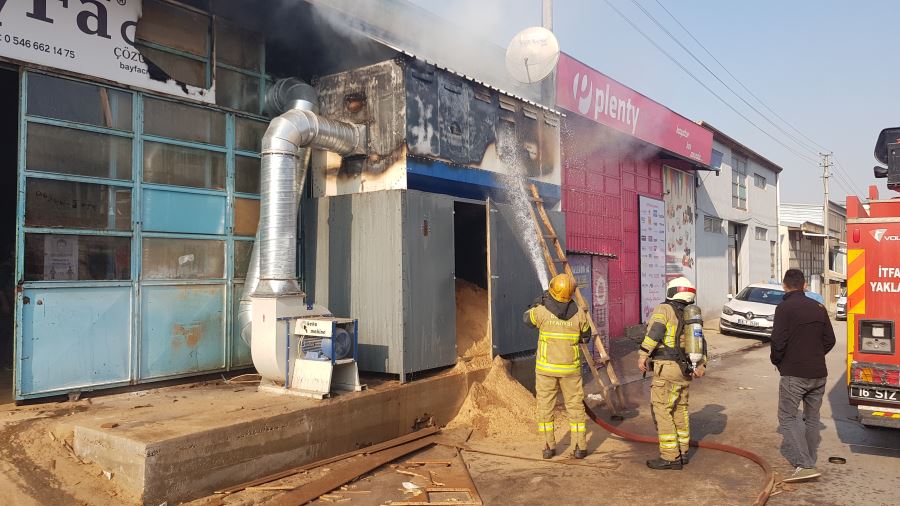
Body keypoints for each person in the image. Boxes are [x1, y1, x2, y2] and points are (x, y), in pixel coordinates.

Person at [771, 269, 835, 483]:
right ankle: (810, 458)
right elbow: (830, 340)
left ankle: (806, 465)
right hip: (818, 373)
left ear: (784, 285)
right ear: (805, 285)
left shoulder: (784, 308)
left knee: (787, 418)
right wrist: (815, 355)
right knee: (812, 417)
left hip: (794, 374)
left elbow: (777, 343)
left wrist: (778, 361)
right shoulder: (819, 308)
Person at [638, 276, 707, 470]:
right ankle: (682, 452)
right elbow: (703, 343)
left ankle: (670, 456)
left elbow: (655, 332)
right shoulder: (691, 314)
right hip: (685, 370)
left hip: (667, 368)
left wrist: (643, 354)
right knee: (680, 409)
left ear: (672, 291)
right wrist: (701, 365)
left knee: (662, 410)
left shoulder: (665, 309)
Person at [524, 273, 591, 460]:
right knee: (576, 408)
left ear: (552, 289)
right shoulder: (579, 313)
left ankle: (548, 447)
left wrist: (537, 302)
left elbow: (526, 320)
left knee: (545, 408)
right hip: (570, 370)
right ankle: (580, 447)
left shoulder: (541, 311)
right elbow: (586, 335)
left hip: (546, 369)